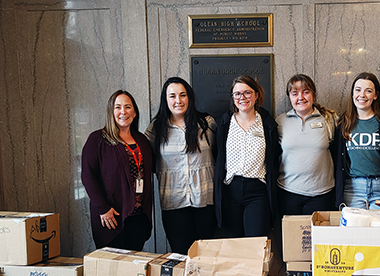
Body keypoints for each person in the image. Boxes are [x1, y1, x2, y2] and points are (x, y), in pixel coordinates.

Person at [145, 77, 217, 254]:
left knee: (205, 257)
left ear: (189, 97)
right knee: (180, 254)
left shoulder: (206, 123)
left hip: (205, 199)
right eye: (172, 96)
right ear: (166, 100)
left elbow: (220, 155)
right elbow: (146, 159)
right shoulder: (157, 128)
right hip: (173, 201)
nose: (178, 100)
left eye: (182, 95)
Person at [81, 90, 154, 250]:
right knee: (113, 269)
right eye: (118, 107)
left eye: (128, 107)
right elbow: (88, 176)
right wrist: (103, 208)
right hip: (112, 216)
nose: (123, 111)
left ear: (134, 112)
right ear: (111, 112)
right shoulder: (97, 139)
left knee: (133, 266)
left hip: (138, 217)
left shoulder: (142, 140)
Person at [213, 75, 279, 238]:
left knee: (256, 243)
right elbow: (217, 153)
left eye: (247, 93)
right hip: (230, 191)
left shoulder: (267, 124)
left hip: (257, 192)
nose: (242, 98)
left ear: (256, 95)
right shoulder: (224, 123)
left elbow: (274, 156)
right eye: (237, 94)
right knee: (234, 244)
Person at [276, 74, 337, 216]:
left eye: (306, 92)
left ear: (313, 95)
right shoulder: (280, 121)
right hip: (288, 193)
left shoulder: (329, 120)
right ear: (289, 97)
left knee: (318, 238)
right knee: (291, 238)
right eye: (295, 93)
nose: (300, 97)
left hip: (322, 194)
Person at [335, 72, 380, 210]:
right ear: (352, 94)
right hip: (352, 190)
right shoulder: (343, 122)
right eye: (358, 90)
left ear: (376, 95)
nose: (362, 95)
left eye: (368, 91)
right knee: (353, 231)